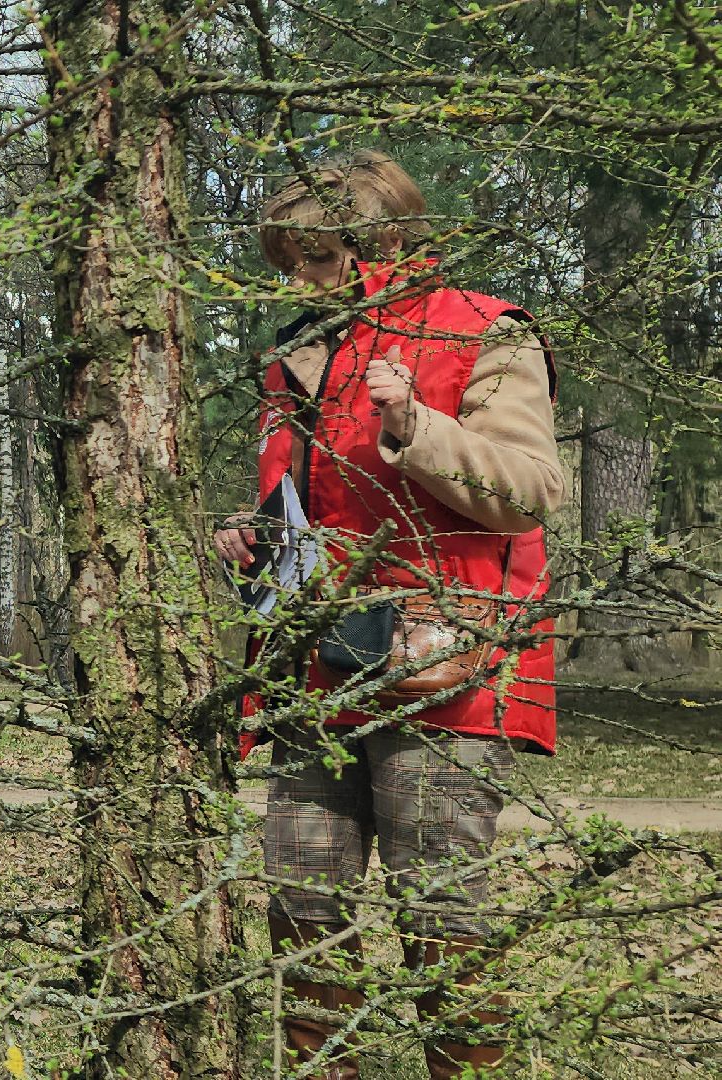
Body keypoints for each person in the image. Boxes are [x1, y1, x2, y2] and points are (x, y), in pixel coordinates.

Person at [217, 150, 565, 1079]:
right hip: (317, 666)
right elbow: (311, 509)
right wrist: (251, 536)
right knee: (300, 897)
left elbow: (531, 490)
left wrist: (417, 427)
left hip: (444, 666)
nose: (298, 279)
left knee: (439, 905)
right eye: (289, 260)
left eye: (317, 257)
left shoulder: (484, 331)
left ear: (385, 241)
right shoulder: (295, 356)